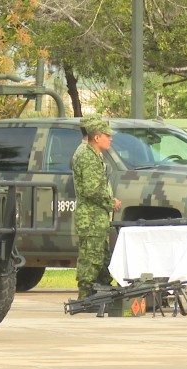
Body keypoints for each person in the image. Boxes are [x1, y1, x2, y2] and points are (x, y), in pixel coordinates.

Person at [72, 114, 121, 301]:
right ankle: (86, 297)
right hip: (91, 217)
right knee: (91, 258)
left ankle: (102, 293)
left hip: (96, 217)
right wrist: (111, 202)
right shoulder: (87, 155)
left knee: (101, 257)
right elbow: (92, 190)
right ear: (96, 137)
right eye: (107, 135)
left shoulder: (92, 153)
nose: (111, 138)